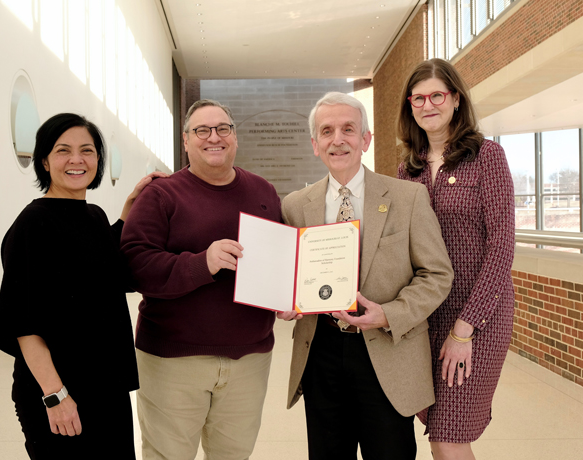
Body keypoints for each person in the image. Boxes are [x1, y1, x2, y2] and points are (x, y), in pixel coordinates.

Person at [279, 92, 454, 460]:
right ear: (315, 144)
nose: (337, 139)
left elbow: (437, 274)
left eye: (348, 129)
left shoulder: (408, 197)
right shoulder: (295, 206)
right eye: (327, 131)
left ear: (365, 139)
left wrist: (390, 313)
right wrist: (284, 300)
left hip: (388, 351)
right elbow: (289, 275)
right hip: (320, 352)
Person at [0, 113, 165, 459]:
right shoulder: (34, 224)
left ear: (99, 160)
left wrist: (131, 208)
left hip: (107, 386)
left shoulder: (94, 216)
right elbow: (23, 324)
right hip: (60, 390)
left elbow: (101, 264)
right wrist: (55, 396)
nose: (77, 160)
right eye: (63, 151)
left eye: (87, 150)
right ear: (44, 160)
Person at [120, 99, 282, 460]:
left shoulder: (264, 192)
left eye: (223, 128)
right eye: (202, 130)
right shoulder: (160, 195)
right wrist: (201, 263)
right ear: (186, 140)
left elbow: (279, 260)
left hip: (249, 360)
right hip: (174, 361)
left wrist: (287, 296)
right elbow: (136, 265)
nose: (214, 137)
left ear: (235, 137)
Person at [396, 58, 516, 460]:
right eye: (418, 99)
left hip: (476, 316)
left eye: (437, 96)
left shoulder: (487, 157)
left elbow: (502, 248)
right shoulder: (406, 171)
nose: (427, 105)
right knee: (436, 425)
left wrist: (464, 330)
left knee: (448, 432)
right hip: (425, 317)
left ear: (456, 100)